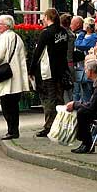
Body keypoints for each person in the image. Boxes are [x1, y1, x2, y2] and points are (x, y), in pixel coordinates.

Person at [0, 14, 29, 140]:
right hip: (16, 76)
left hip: (6, 76)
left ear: (6, 26)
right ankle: (14, 130)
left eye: (0, 24)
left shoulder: (3, 38)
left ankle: (11, 131)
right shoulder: (17, 38)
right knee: (14, 106)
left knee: (6, 105)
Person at [29, 8, 68, 137]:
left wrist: (31, 69)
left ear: (47, 17)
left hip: (49, 70)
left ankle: (49, 126)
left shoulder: (46, 33)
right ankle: (61, 124)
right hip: (61, 69)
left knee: (49, 98)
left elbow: (38, 52)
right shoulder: (63, 32)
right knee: (59, 97)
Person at [73, 18, 97, 102]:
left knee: (87, 91)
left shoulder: (93, 38)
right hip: (86, 67)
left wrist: (82, 33)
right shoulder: (94, 37)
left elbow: (79, 44)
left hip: (89, 67)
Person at [61, 13, 76, 102]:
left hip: (65, 63)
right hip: (71, 62)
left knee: (65, 89)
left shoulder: (63, 35)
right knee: (70, 88)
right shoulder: (72, 34)